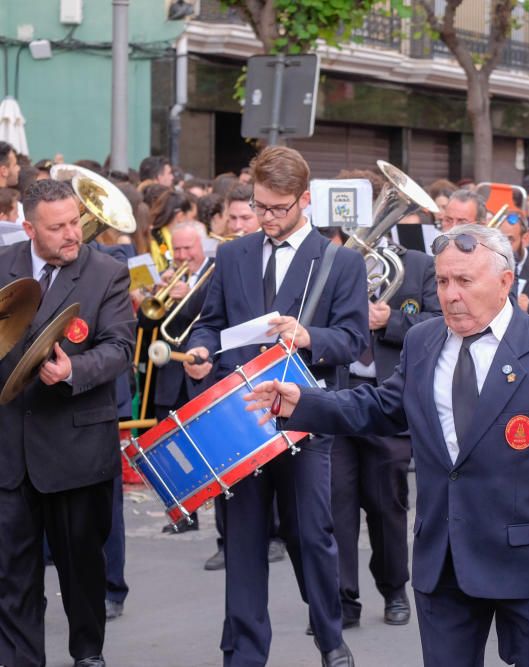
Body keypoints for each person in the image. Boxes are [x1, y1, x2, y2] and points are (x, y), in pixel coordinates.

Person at [248, 223, 529, 667]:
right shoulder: (423, 340)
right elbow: (382, 407)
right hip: (444, 560)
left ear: (506, 281)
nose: (450, 294)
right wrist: (304, 404)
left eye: (465, 280)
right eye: (444, 281)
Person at [184, 146, 368, 667]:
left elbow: (353, 341)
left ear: (304, 201)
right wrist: (200, 351)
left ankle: (329, 636)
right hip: (241, 414)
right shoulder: (234, 254)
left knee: (312, 533)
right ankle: (244, 651)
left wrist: (309, 335)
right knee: (242, 540)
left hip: (305, 417)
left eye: (277, 208)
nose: (266, 218)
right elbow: (211, 322)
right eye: (259, 206)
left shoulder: (342, 262)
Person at [0, 178, 135, 667]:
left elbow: (120, 348)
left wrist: (73, 370)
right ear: (28, 227)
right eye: (57, 227)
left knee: (81, 572)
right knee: (12, 574)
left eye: (74, 221)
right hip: (11, 450)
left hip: (77, 452)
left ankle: (87, 656)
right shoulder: (3, 266)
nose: (71, 234)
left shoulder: (108, 272)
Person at [333, 185, 443, 631]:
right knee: (335, 505)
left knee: (388, 504)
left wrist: (390, 321)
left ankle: (394, 588)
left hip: (387, 403)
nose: (368, 229)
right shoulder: (333, 265)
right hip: (339, 398)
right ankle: (342, 599)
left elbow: (439, 323)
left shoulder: (417, 266)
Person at [150, 221, 214, 535]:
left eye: (188, 248)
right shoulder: (167, 274)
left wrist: (187, 296)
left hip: (201, 371)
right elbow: (145, 322)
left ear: (202, 247)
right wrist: (156, 296)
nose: (181, 254)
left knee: (207, 446)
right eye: (176, 249)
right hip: (170, 374)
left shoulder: (215, 272)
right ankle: (183, 514)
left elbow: (211, 315)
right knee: (170, 448)